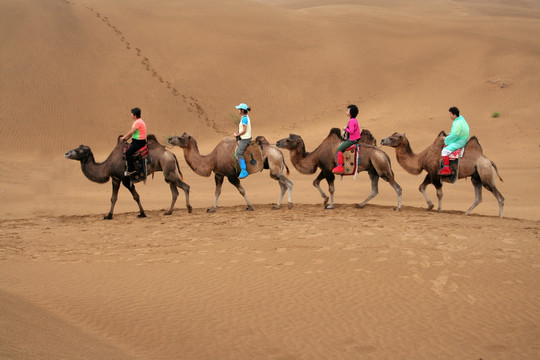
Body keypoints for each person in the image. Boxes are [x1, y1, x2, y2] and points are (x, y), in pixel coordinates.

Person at [440, 106, 469, 175]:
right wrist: (449, 135)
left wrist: (446, 138)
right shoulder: (461, 119)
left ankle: (446, 169)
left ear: (454, 115)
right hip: (462, 138)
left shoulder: (457, 123)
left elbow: (455, 135)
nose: (449, 116)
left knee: (444, 151)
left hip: (460, 141)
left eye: (450, 114)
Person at [332, 104, 361, 174]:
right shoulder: (354, 120)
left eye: (348, 110)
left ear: (351, 112)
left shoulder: (351, 121)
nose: (346, 112)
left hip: (352, 139)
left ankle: (340, 167)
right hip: (356, 138)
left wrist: (345, 128)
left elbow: (351, 131)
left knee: (339, 150)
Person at [121, 107, 147, 176]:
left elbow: (131, 132)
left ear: (135, 115)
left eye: (132, 113)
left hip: (139, 142)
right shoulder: (137, 122)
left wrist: (124, 137)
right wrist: (126, 139)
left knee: (128, 153)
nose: (131, 114)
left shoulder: (138, 122)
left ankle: (131, 170)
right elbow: (133, 133)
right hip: (136, 141)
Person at [234, 103, 252, 179]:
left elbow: (244, 130)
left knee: (239, 152)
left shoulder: (244, 119)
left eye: (239, 109)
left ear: (242, 110)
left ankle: (244, 170)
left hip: (245, 139)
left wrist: (237, 135)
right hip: (244, 137)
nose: (238, 110)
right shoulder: (244, 117)